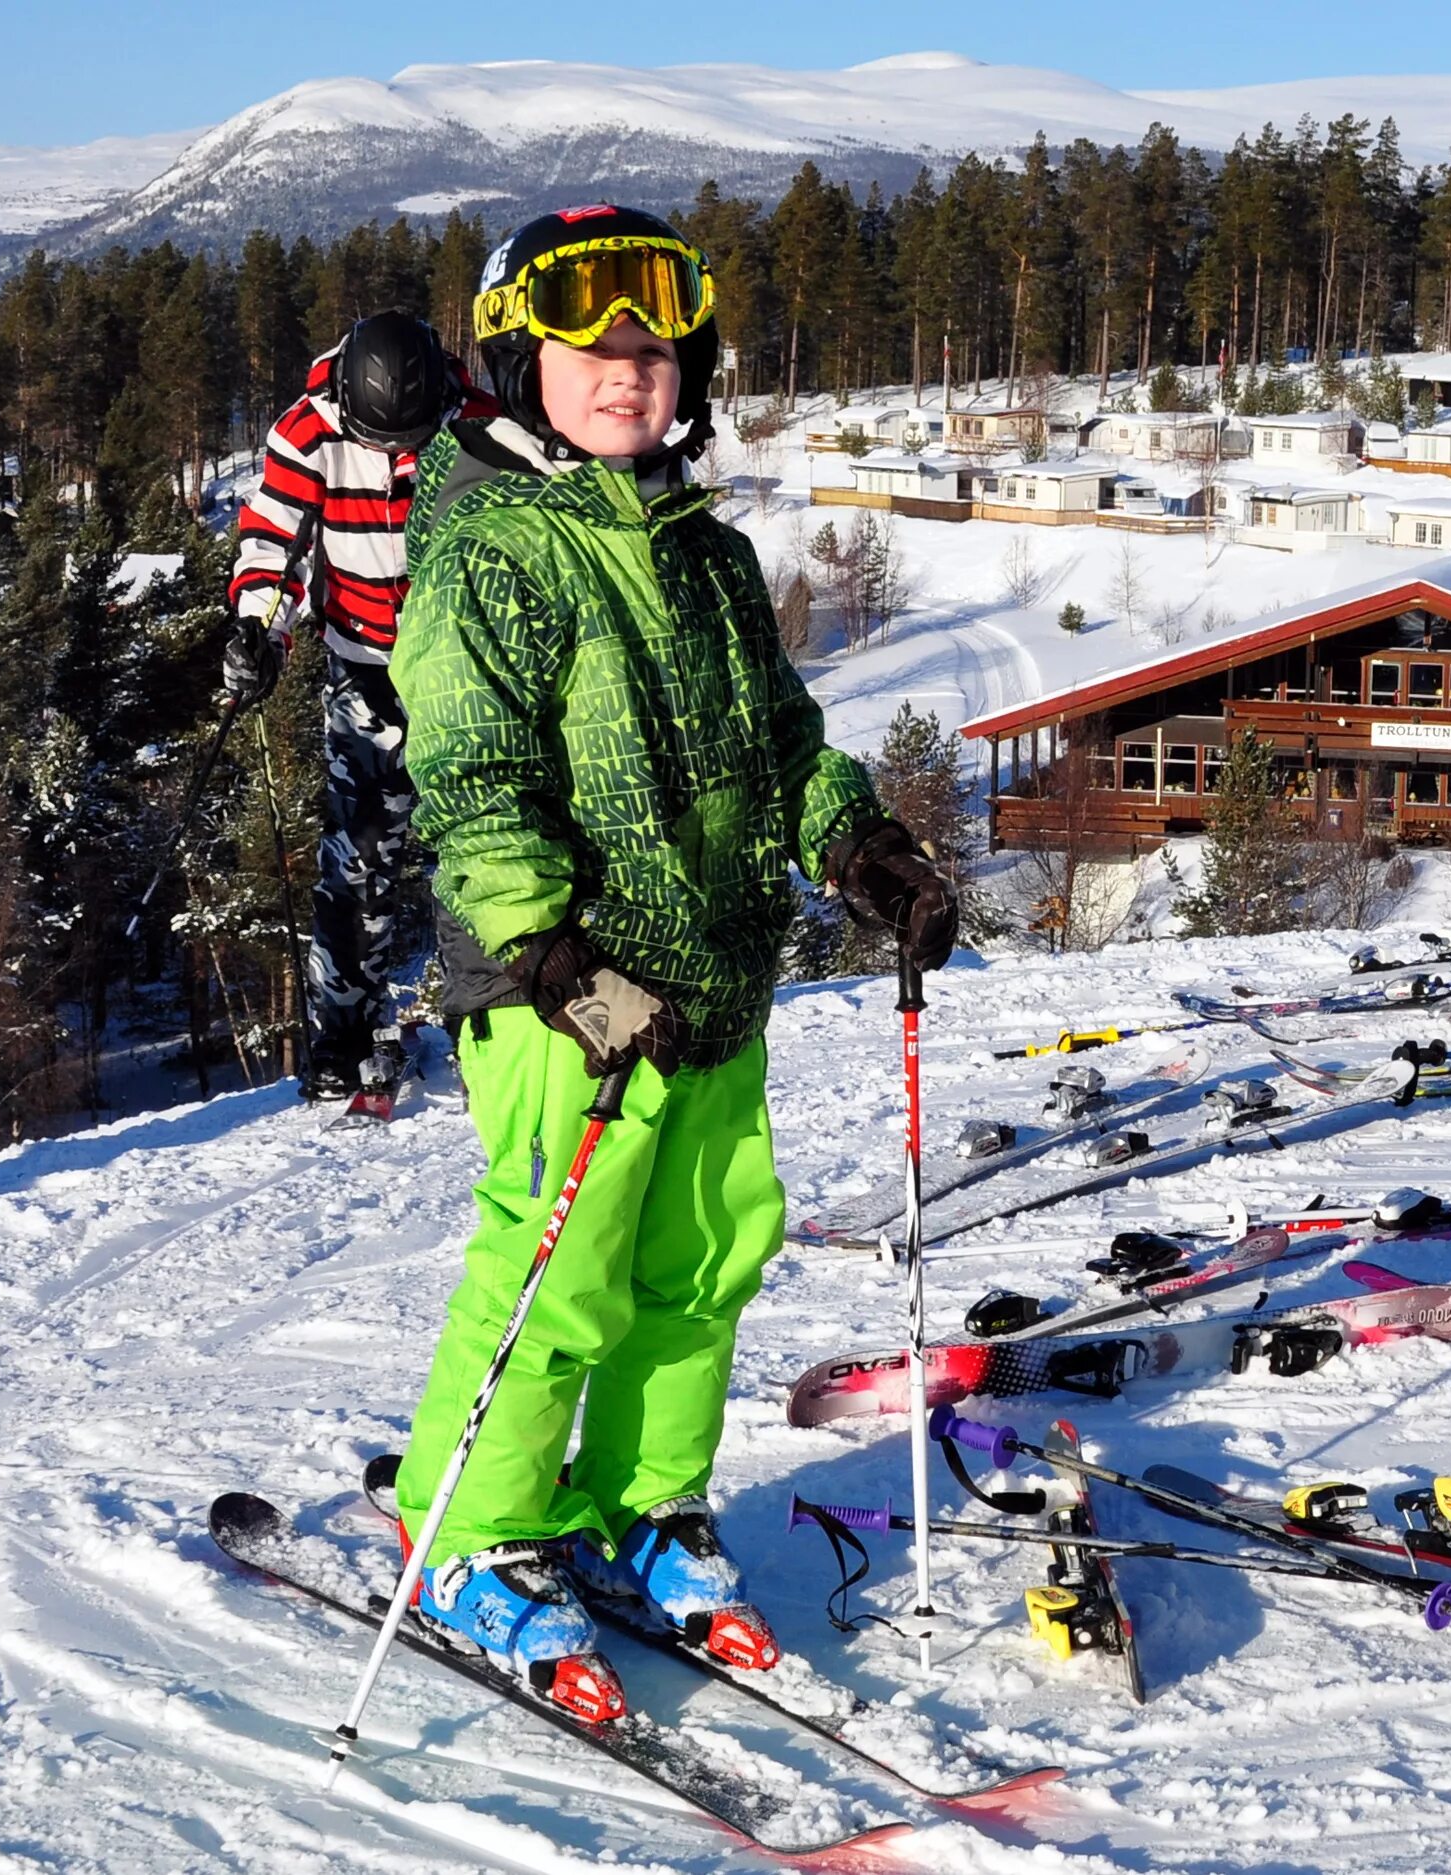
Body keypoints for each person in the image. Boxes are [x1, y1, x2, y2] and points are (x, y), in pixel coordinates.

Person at [386, 204, 955, 1717]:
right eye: (592, 349)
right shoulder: (485, 549)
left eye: (653, 351)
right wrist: (556, 958)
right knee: (556, 1270)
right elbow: (472, 781)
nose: (627, 373)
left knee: (703, 1261)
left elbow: (777, 743)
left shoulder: (701, 550)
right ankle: (474, 1529)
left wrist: (857, 847)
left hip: (709, 982)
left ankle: (641, 1505)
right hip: (561, 993)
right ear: (518, 361)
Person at [225, 311, 495, 1103]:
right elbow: (273, 539)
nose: (394, 455)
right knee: (360, 857)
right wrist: (259, 630)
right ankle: (341, 1040)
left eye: (407, 440)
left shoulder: (477, 424)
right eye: (380, 441)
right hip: (365, 664)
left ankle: (494, 1026)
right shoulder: (309, 429)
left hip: (464, 669)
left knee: (480, 849)